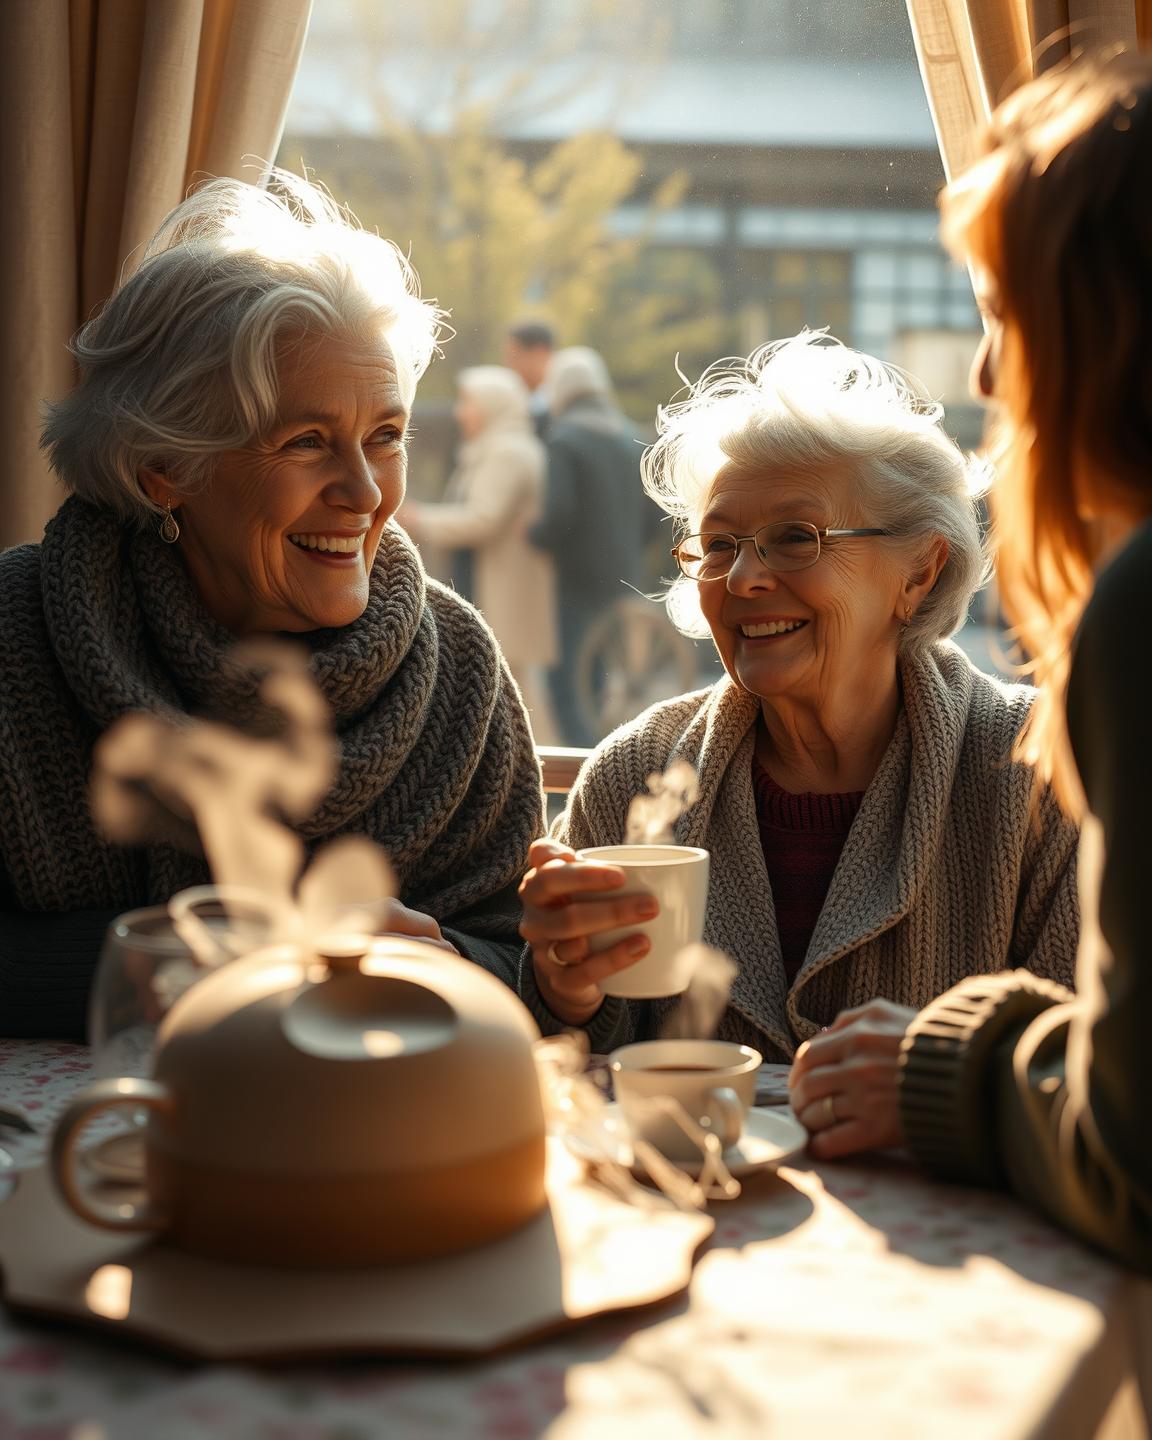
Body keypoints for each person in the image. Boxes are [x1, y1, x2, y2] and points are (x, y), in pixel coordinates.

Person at [0, 171, 544, 1040]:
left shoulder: (458, 672)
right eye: (306, 443)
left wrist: (443, 964)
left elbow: (524, 967)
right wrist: (183, 961)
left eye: (386, 437)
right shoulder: (15, 636)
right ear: (164, 468)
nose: (366, 493)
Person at [792, 51, 1152, 1271]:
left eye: (1005, 316)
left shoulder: (1137, 618)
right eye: (716, 544)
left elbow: (1137, 1161)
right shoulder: (644, 768)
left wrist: (957, 1062)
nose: (990, 376)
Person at [517, 332, 1079, 1060]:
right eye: (718, 545)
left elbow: (1097, 1074)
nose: (744, 577)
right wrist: (567, 990)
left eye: (795, 537)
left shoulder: (1036, 773)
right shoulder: (634, 777)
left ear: (919, 574)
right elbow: (573, 1063)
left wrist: (940, 1075)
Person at [400, 366, 560, 742]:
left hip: (504, 588)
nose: (460, 412)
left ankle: (545, 774)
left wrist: (419, 518)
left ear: (492, 405)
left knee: (516, 692)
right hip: (491, 583)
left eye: (467, 403)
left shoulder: (508, 452)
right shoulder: (494, 447)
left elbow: (483, 519)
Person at [531, 346, 650, 746]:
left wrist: (533, 535)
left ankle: (579, 776)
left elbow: (558, 513)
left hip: (577, 580)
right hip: (623, 576)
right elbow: (654, 516)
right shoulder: (631, 437)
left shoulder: (564, 439)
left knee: (566, 685)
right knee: (598, 681)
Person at [503, 320, 555, 436]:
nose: (507, 363)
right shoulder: (519, 397)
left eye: (514, 355)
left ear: (539, 353)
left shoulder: (558, 401)